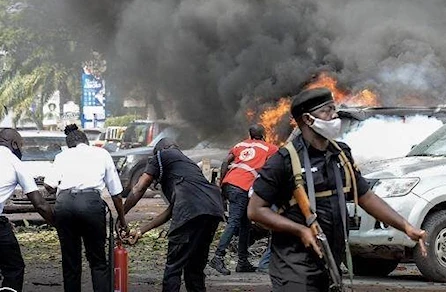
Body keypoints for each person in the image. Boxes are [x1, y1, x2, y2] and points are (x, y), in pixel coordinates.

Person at [247, 87, 427, 291]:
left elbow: (365, 197)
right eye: (327, 111)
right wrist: (299, 230)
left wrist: (406, 227)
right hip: (294, 264)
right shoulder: (284, 160)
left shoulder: (341, 154)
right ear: (307, 119)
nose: (334, 115)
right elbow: (255, 210)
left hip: (331, 260)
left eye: (334, 109)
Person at [123, 137, 224, 292]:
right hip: (212, 210)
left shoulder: (161, 155)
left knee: (174, 267)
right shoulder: (188, 166)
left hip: (192, 211)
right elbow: (172, 210)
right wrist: (141, 230)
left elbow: (138, 188)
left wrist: (121, 215)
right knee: (195, 268)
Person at [46, 124, 128, 292]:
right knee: (98, 261)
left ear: (69, 144)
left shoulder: (62, 156)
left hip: (65, 205)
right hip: (91, 205)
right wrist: (122, 219)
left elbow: (48, 185)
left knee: (70, 262)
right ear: (86, 141)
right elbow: (116, 193)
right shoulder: (102, 153)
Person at [209, 124, 278, 275]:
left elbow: (225, 162)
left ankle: (242, 262)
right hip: (242, 187)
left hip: (230, 183)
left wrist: (222, 185)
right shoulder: (271, 148)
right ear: (264, 134)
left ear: (250, 134)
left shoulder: (240, 144)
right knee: (234, 222)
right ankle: (218, 257)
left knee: (245, 225)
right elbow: (273, 169)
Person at [0, 128, 54, 291]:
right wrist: (60, 226)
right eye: (21, 146)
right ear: (14, 144)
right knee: (13, 269)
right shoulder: (14, 162)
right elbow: (40, 205)